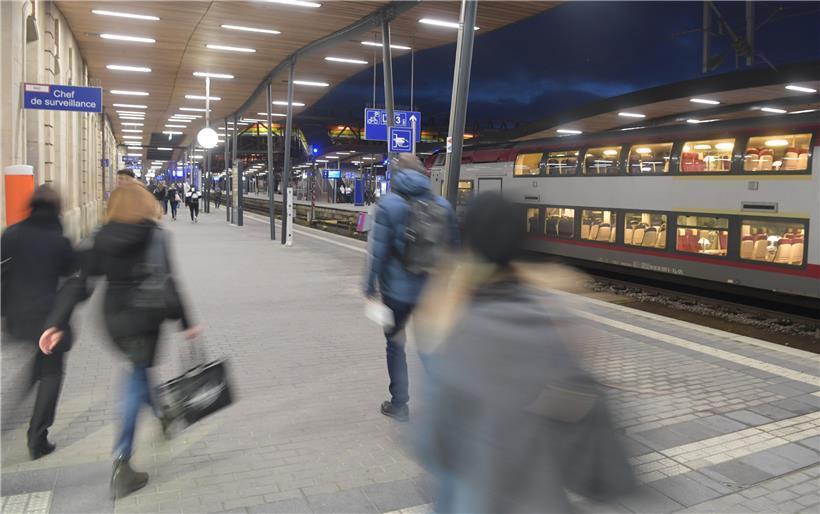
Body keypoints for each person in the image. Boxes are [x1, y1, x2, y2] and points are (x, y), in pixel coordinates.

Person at [414, 193, 634, 513]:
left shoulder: (456, 331)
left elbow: (433, 445)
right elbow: (580, 434)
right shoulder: (555, 325)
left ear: (470, 245)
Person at [38, 181, 201, 499]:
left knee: (138, 368)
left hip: (114, 319)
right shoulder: (157, 235)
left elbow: (78, 284)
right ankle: (122, 461)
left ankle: (163, 414)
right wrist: (187, 322)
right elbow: (170, 280)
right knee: (135, 376)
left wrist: (55, 323)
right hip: (147, 317)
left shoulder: (101, 238)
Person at [363, 153, 458, 422]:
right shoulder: (443, 205)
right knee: (431, 346)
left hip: (396, 293)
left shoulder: (389, 204)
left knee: (395, 345)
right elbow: (454, 250)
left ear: (397, 174)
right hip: (430, 292)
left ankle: (399, 405)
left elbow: (378, 252)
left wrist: (369, 286)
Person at [1, 186, 78, 460]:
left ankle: (9, 417)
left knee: (37, 367)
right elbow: (71, 275)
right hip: (49, 322)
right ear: (57, 208)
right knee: (51, 374)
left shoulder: (11, 233)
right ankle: (37, 438)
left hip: (18, 316)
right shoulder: (58, 240)